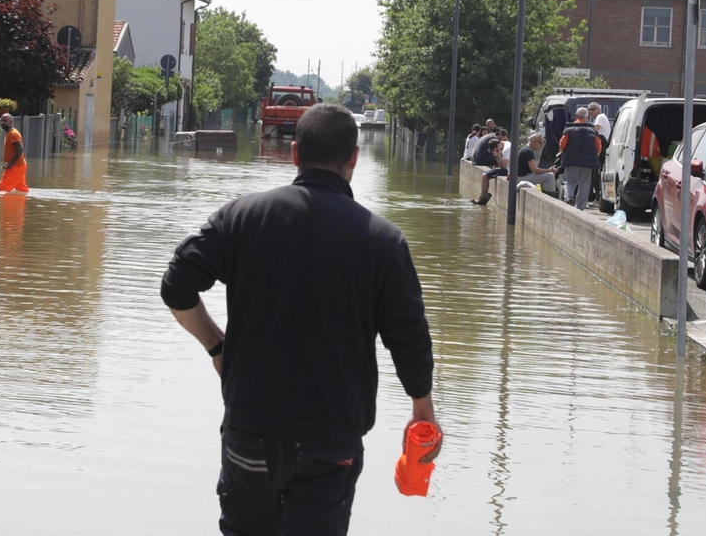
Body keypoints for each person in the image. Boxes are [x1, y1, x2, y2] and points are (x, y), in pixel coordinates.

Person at [160, 103, 439, 536]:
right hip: (331, 440)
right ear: (354, 158)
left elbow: (175, 285)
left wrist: (218, 346)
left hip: (250, 425)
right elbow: (409, 337)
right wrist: (423, 408)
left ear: (294, 154)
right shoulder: (382, 241)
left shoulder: (241, 217)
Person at [559, 107, 601, 209]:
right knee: (584, 184)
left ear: (576, 116)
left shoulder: (569, 129)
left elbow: (562, 144)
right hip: (587, 163)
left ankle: (568, 197)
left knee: (569, 180)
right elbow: (598, 146)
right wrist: (594, 156)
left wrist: (563, 152)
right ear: (587, 117)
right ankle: (580, 207)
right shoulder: (592, 129)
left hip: (571, 160)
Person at [0, 113, 30, 194]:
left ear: (11, 122)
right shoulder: (11, 133)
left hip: (15, 167)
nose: (2, 122)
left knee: (2, 190)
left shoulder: (12, 134)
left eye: (5, 121)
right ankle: (19, 206)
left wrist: (10, 164)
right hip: (20, 166)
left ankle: (8, 206)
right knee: (21, 190)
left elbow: (20, 149)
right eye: (1, 121)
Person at [471, 137, 508, 205]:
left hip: (508, 170)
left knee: (485, 176)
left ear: (498, 144)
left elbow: (503, 167)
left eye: (496, 149)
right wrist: (496, 155)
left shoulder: (506, 149)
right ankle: (481, 198)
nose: (496, 150)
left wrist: (497, 155)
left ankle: (482, 201)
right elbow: (500, 165)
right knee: (484, 175)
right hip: (506, 169)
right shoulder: (504, 146)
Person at [587, 102, 611, 200]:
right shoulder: (599, 118)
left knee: (596, 173)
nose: (590, 111)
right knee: (596, 173)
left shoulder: (600, 117)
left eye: (592, 109)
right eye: (589, 109)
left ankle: (597, 196)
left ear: (598, 109)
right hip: (600, 147)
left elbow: (595, 129)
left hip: (601, 148)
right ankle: (596, 195)